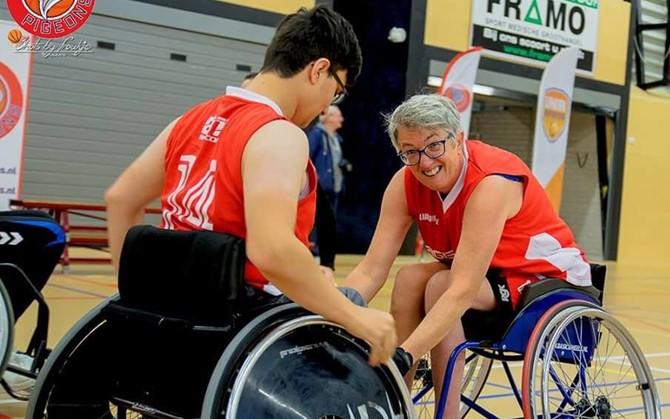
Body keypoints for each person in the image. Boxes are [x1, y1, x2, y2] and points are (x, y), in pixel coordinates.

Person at [104, 5, 396, 367]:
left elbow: (120, 200)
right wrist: (356, 318)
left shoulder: (186, 121)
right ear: (319, 69)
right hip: (242, 314)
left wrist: (133, 295)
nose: (326, 106)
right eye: (336, 92)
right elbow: (271, 250)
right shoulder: (279, 134)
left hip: (170, 301)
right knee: (351, 302)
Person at [344, 94, 593, 418]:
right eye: (410, 152)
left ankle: (443, 414)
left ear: (458, 139)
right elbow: (371, 269)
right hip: (485, 275)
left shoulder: (491, 182)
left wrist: (404, 353)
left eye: (434, 146)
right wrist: (331, 311)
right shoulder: (405, 183)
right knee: (407, 280)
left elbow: (460, 288)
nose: (425, 162)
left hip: (544, 279)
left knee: (440, 286)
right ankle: (396, 403)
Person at [307, 105, 352, 275]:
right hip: (321, 187)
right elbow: (309, 157)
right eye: (338, 116)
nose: (341, 120)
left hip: (335, 187)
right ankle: (313, 254)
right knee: (315, 221)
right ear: (329, 117)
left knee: (328, 222)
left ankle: (323, 257)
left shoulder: (337, 138)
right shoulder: (317, 135)